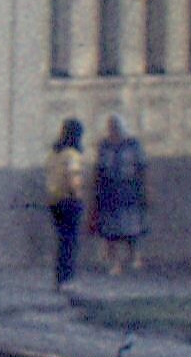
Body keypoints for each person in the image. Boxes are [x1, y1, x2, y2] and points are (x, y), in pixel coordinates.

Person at [92, 113, 150, 274]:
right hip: (109, 192)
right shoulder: (104, 146)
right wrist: (96, 192)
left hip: (129, 191)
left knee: (131, 227)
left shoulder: (133, 145)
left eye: (116, 126)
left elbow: (141, 167)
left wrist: (145, 190)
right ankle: (115, 263)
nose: (113, 130)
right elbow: (99, 170)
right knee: (110, 231)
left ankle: (134, 257)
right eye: (111, 126)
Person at [43, 117, 89, 288]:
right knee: (70, 241)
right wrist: (78, 193)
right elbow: (73, 176)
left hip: (54, 200)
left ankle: (59, 277)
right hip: (69, 200)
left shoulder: (54, 153)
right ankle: (67, 278)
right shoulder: (72, 154)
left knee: (62, 239)